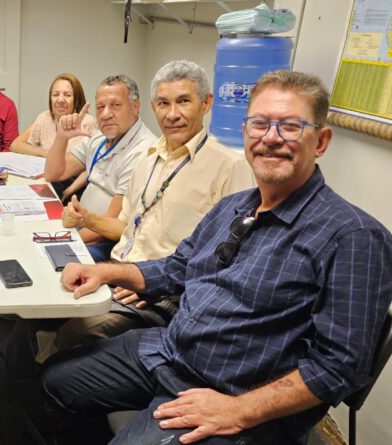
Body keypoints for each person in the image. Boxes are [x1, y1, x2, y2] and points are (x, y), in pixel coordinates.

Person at [40, 71, 392, 445]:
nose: (271, 138)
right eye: (259, 124)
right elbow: (177, 268)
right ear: (246, 133)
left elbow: (340, 366)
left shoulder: (354, 236)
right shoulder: (234, 207)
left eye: (290, 126)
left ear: (320, 141)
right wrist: (105, 272)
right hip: (171, 352)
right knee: (54, 381)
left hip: (232, 392)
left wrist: (239, 410)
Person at [51, 60, 255, 352]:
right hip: (119, 270)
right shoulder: (147, 158)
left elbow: (230, 260)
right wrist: (88, 219)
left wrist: (157, 284)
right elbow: (125, 226)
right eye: (163, 103)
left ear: (206, 103)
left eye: (183, 101)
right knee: (49, 296)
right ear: (152, 107)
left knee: (77, 331)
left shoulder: (230, 166)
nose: (172, 114)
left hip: (164, 293)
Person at [44, 74, 157, 262]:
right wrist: (62, 137)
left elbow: (113, 224)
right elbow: (53, 173)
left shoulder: (143, 150)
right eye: (100, 107)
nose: (105, 114)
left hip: (105, 240)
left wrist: (64, 239)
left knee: (49, 260)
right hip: (81, 224)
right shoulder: (99, 138)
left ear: (136, 107)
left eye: (115, 105)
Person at [11, 72, 98, 201]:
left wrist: (69, 191)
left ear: (76, 99)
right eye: (55, 94)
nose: (60, 100)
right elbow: (15, 145)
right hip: (46, 179)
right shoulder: (45, 117)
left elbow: (93, 167)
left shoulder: (89, 123)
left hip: (73, 187)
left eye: (67, 95)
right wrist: (47, 153)